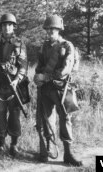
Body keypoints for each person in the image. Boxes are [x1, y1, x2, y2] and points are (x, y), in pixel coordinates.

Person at [34, 15, 83, 166]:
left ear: (58, 29)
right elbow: (40, 65)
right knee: (46, 119)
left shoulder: (67, 46)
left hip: (62, 89)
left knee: (65, 119)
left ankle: (68, 153)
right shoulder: (44, 46)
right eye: (47, 30)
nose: (49, 32)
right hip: (46, 89)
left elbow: (65, 70)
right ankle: (48, 149)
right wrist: (37, 76)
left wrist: (45, 76)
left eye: (52, 30)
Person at [0, 13, 28, 157]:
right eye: (4, 25)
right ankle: (1, 144)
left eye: (9, 25)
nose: (6, 27)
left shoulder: (19, 43)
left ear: (13, 27)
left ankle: (14, 145)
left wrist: (17, 79)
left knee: (14, 115)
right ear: (1, 27)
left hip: (14, 86)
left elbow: (23, 65)